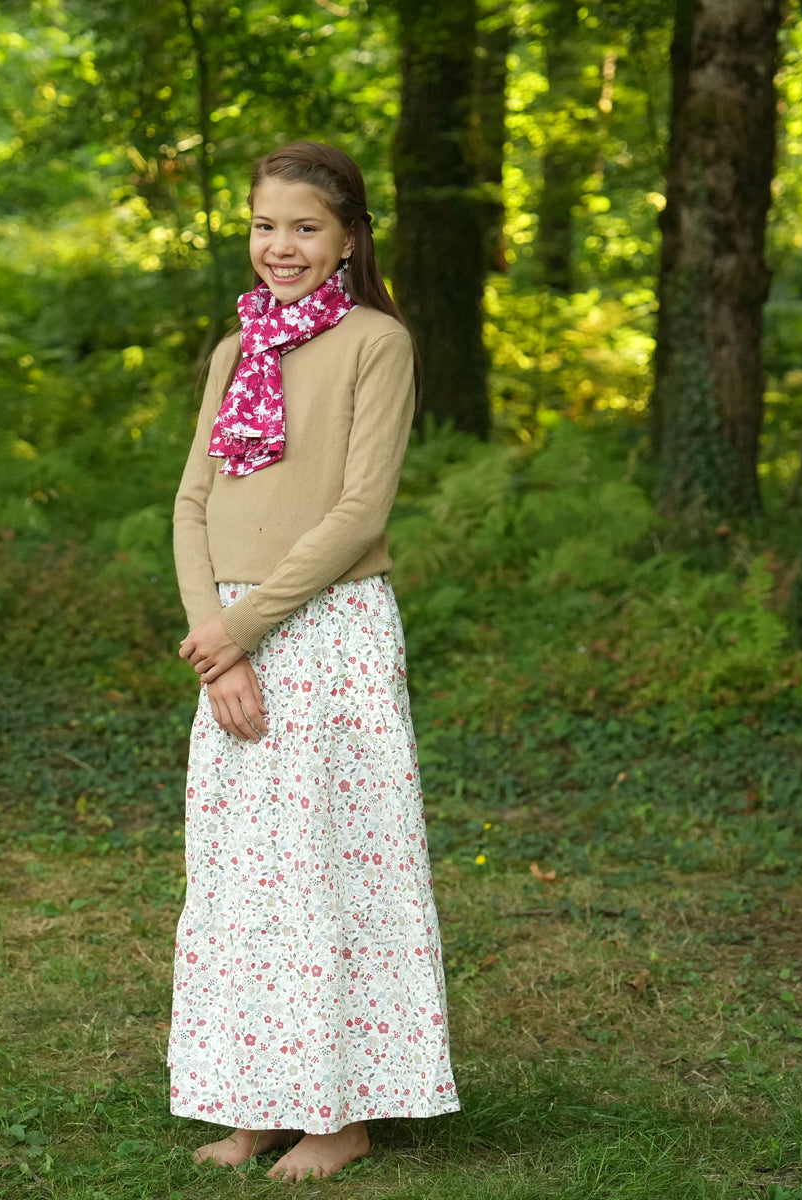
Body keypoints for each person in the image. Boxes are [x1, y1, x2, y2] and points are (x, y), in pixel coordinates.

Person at [168, 141, 459, 1182]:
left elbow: (358, 512)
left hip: (327, 628)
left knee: (328, 877)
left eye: (303, 227)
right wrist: (217, 641)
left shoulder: (377, 343)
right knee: (240, 885)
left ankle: (338, 1113)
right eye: (263, 225)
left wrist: (245, 632)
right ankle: (250, 1100)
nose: (279, 246)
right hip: (232, 641)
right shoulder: (234, 350)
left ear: (346, 239)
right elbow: (193, 502)